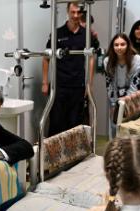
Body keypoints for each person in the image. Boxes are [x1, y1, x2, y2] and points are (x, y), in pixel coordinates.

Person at [42, 2, 89, 137]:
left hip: (77, 86)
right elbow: (46, 57)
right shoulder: (57, 33)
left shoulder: (86, 34)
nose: (75, 15)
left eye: (78, 12)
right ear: (67, 11)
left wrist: (89, 84)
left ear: (81, 13)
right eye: (72, 12)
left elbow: (91, 58)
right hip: (59, 86)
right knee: (57, 123)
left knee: (75, 124)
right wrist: (45, 82)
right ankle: (53, 156)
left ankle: (73, 157)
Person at [103, 33, 140, 137]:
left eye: (122, 44)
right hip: (115, 99)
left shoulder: (136, 60)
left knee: (130, 129)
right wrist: (113, 104)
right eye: (116, 45)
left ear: (128, 45)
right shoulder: (107, 61)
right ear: (112, 46)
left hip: (131, 99)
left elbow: (135, 83)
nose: (119, 47)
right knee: (115, 127)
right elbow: (109, 84)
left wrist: (126, 101)